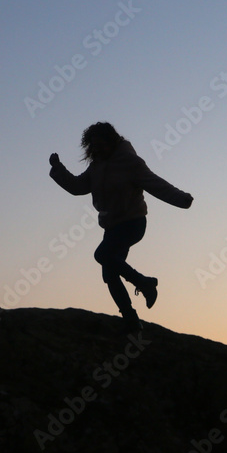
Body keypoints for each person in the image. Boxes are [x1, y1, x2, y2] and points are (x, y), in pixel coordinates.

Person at [49, 122, 193, 332]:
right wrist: (58, 168)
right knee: (109, 272)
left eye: (101, 145)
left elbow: (155, 183)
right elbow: (78, 187)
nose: (97, 149)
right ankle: (131, 319)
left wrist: (182, 199)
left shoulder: (129, 161)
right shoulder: (97, 165)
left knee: (102, 255)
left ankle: (144, 283)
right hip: (112, 227)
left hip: (133, 222)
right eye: (93, 146)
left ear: (112, 141)